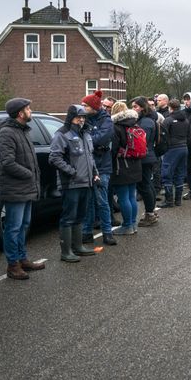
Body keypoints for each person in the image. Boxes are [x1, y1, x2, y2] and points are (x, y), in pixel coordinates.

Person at [0, 97, 46, 280]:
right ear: (20, 113)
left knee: (24, 225)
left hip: (26, 187)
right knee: (13, 227)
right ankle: (13, 264)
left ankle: (23, 259)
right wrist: (29, 174)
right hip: (15, 188)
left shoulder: (23, 131)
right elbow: (8, 162)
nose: (30, 111)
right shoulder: (7, 133)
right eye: (28, 108)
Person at [50, 105, 98, 261]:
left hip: (87, 182)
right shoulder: (62, 134)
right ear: (71, 117)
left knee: (80, 216)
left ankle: (78, 247)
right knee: (68, 217)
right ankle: (66, 252)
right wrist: (72, 172)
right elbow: (54, 158)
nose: (82, 120)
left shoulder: (86, 134)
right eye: (79, 117)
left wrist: (95, 173)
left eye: (83, 117)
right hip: (71, 183)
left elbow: (90, 157)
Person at [80, 90, 113, 246]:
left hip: (102, 165)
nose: (82, 107)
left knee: (102, 200)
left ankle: (107, 232)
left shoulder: (106, 120)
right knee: (88, 201)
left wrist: (86, 139)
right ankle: (86, 232)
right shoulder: (83, 119)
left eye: (85, 105)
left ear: (93, 106)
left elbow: (103, 138)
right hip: (87, 165)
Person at [109, 101, 142, 236]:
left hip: (121, 166)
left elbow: (113, 149)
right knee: (131, 196)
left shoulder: (116, 127)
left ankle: (127, 225)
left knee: (123, 198)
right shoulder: (134, 124)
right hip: (135, 164)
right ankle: (133, 224)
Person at [131, 96, 160, 226]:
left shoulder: (146, 122)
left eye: (135, 106)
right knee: (147, 184)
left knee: (145, 186)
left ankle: (150, 214)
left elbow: (143, 141)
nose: (133, 109)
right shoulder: (146, 120)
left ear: (142, 107)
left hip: (145, 157)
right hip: (148, 156)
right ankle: (152, 211)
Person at [160, 98, 189, 207]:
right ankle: (178, 200)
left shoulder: (168, 120)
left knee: (167, 173)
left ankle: (169, 201)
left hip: (172, 149)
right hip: (184, 147)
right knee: (180, 174)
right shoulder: (185, 120)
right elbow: (188, 134)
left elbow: (163, 136)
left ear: (170, 108)